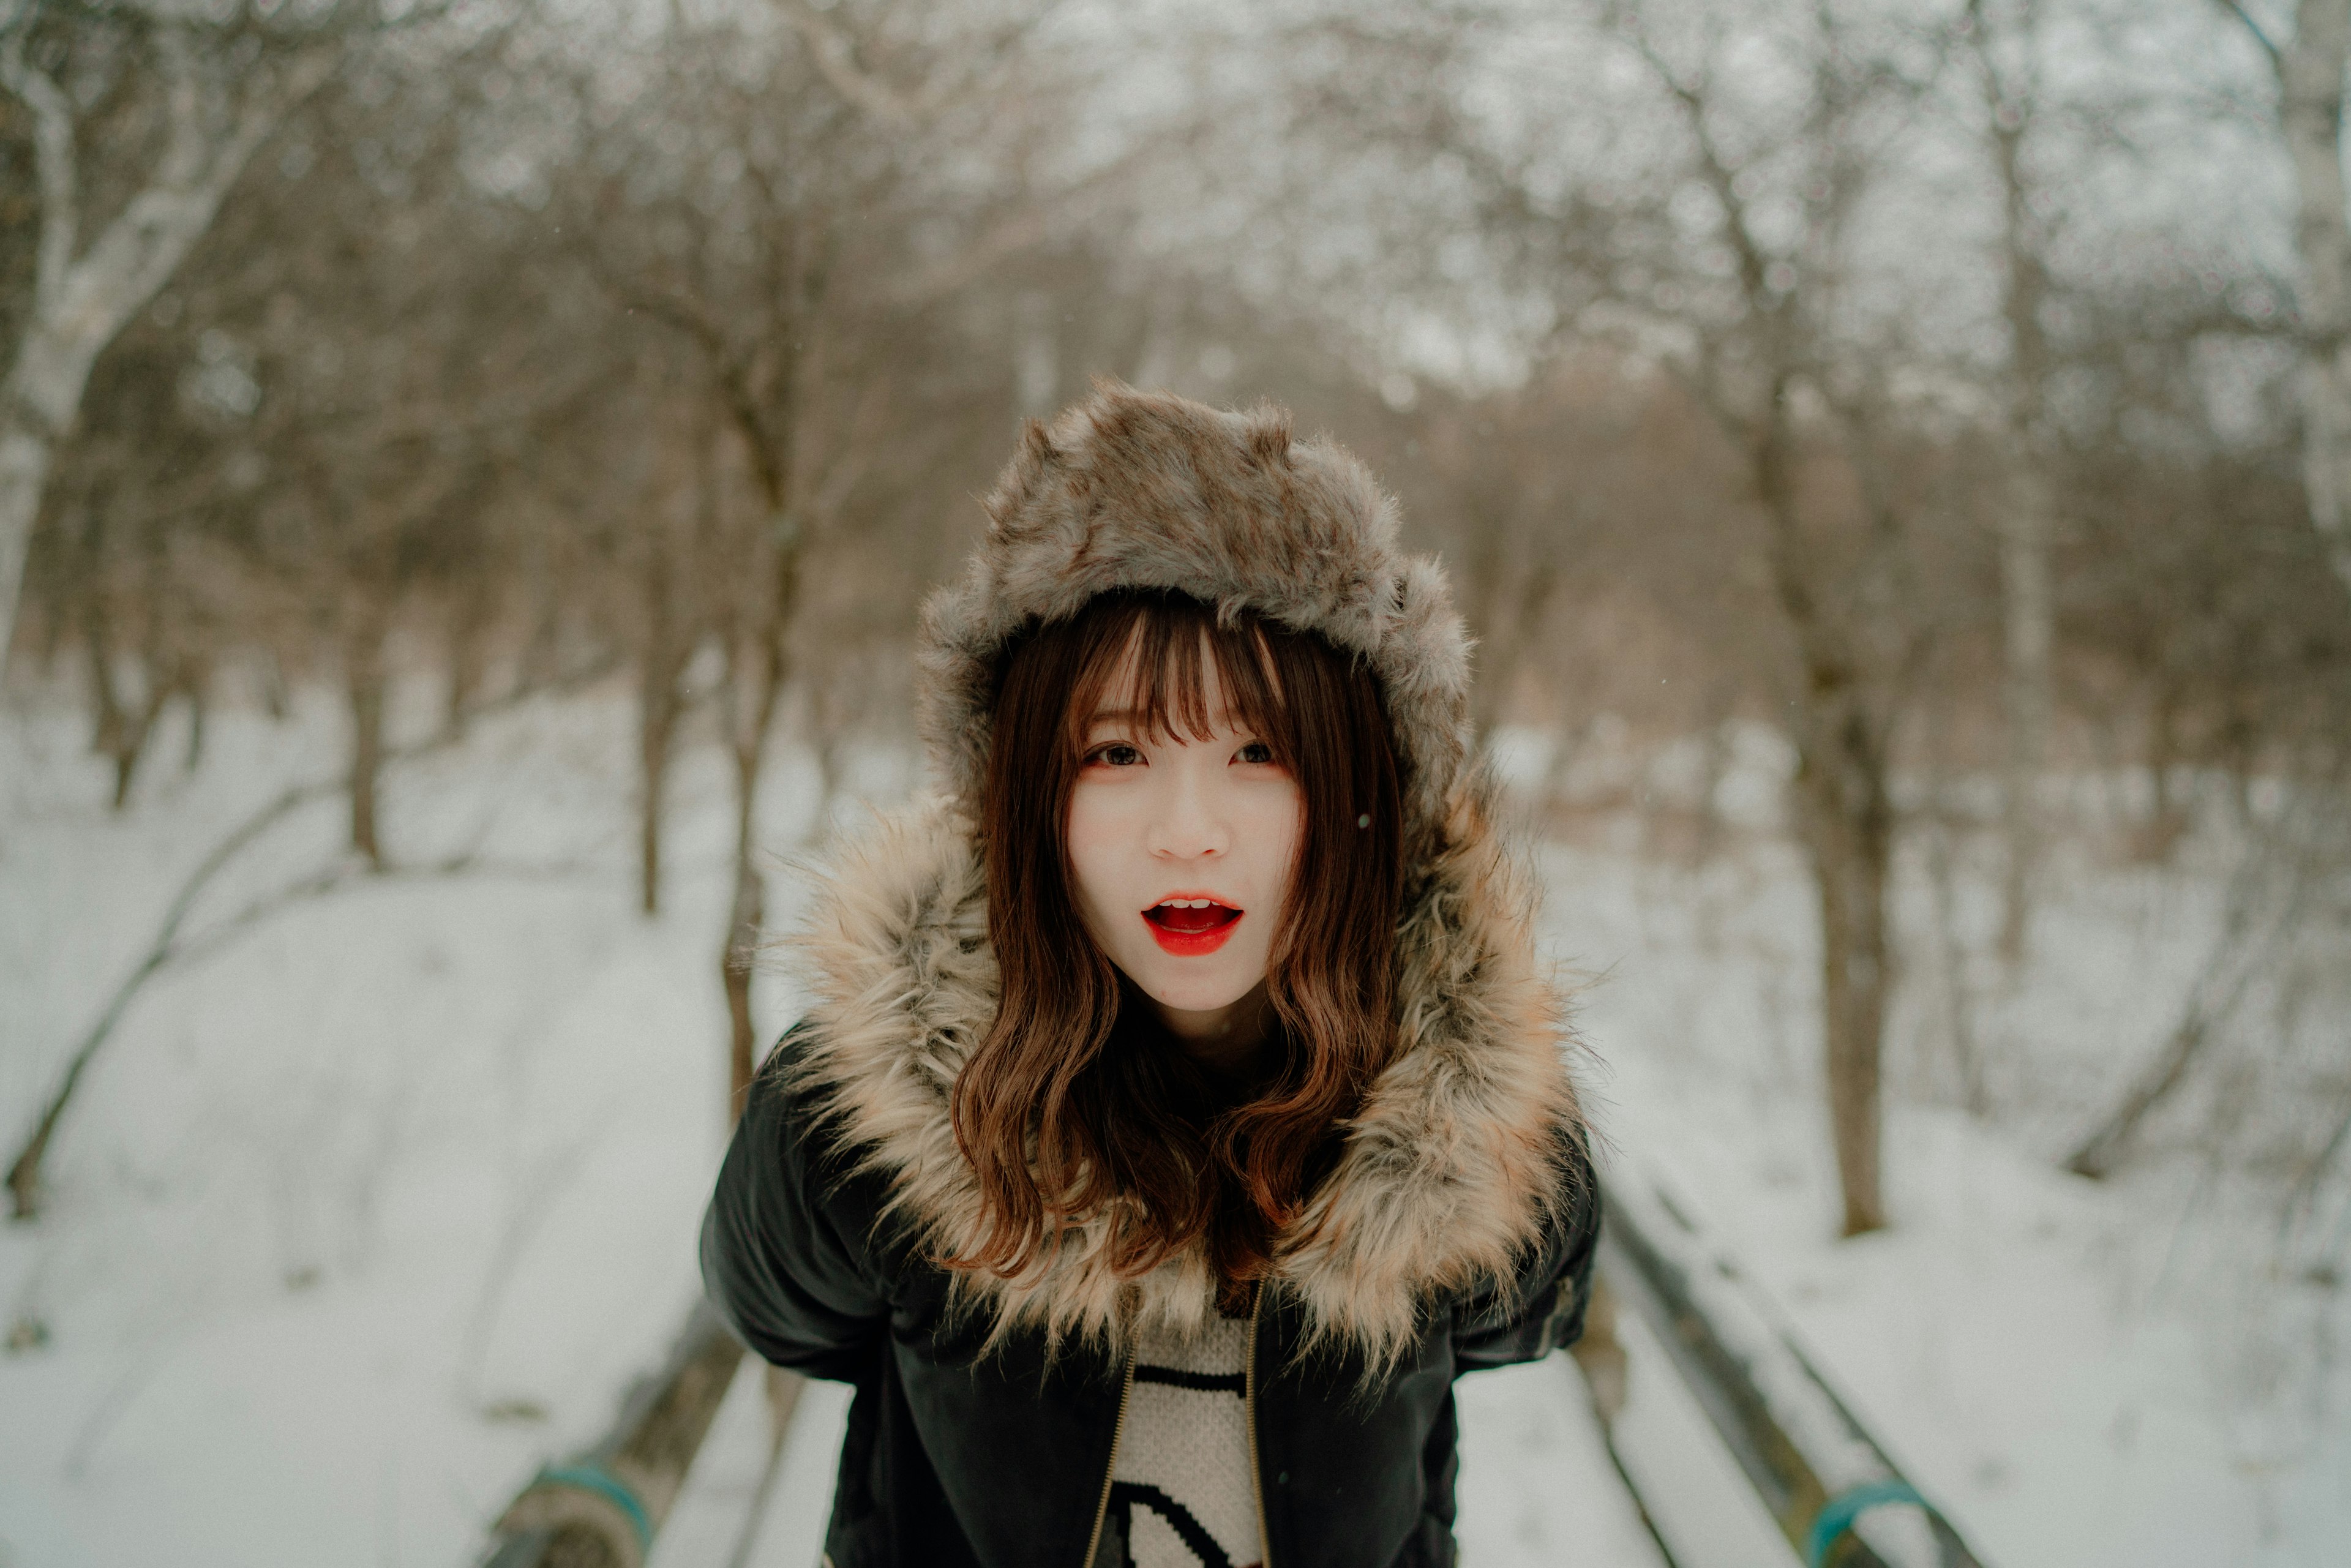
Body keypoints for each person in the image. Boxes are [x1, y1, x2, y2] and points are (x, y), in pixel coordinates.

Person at [700, 381, 1598, 1568]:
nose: (1189, 831)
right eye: (1118, 751)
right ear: (1030, 794)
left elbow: (1528, 1315)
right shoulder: (874, 1111)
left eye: (1257, 752)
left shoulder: (1471, 1126)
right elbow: (778, 1308)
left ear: (1361, 794)